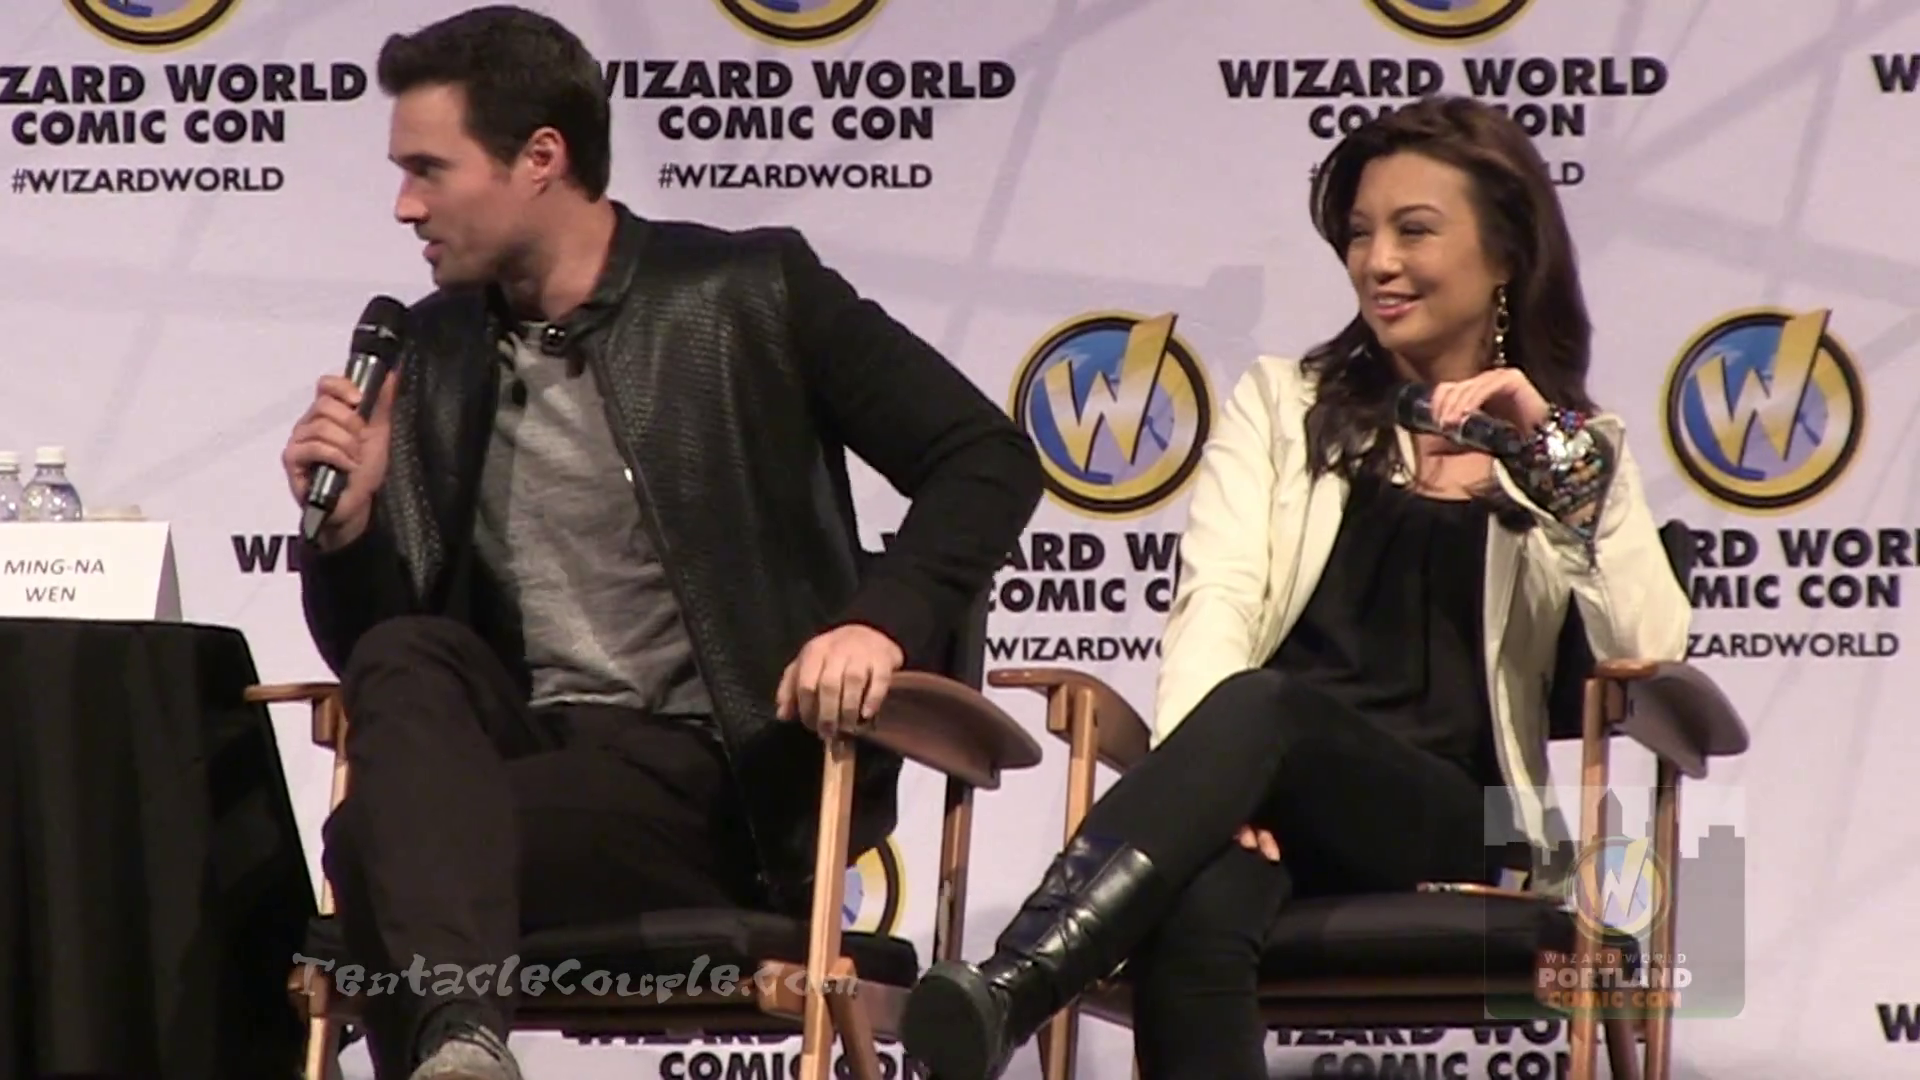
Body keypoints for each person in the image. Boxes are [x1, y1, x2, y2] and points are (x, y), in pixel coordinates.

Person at [277, 6, 1042, 1079]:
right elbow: (372, 654)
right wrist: (349, 531)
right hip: (512, 761)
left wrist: (880, 622)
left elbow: (987, 458)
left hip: (713, 783)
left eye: (427, 170)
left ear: (540, 157)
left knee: (375, 844)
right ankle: (462, 1044)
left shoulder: (752, 293)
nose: (404, 206)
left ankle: (453, 1039)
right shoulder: (436, 347)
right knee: (408, 663)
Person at [898, 95, 1692, 1080]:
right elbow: (1219, 601)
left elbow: (1649, 650)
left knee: (1268, 708)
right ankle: (1015, 988)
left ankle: (1017, 982)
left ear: (1505, 255)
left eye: (1413, 230)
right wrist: (1213, 790)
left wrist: (1556, 462)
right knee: (1194, 902)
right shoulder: (1285, 405)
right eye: (1359, 234)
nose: (1377, 261)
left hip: (1465, 820)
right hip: (1274, 796)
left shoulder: (1574, 449)